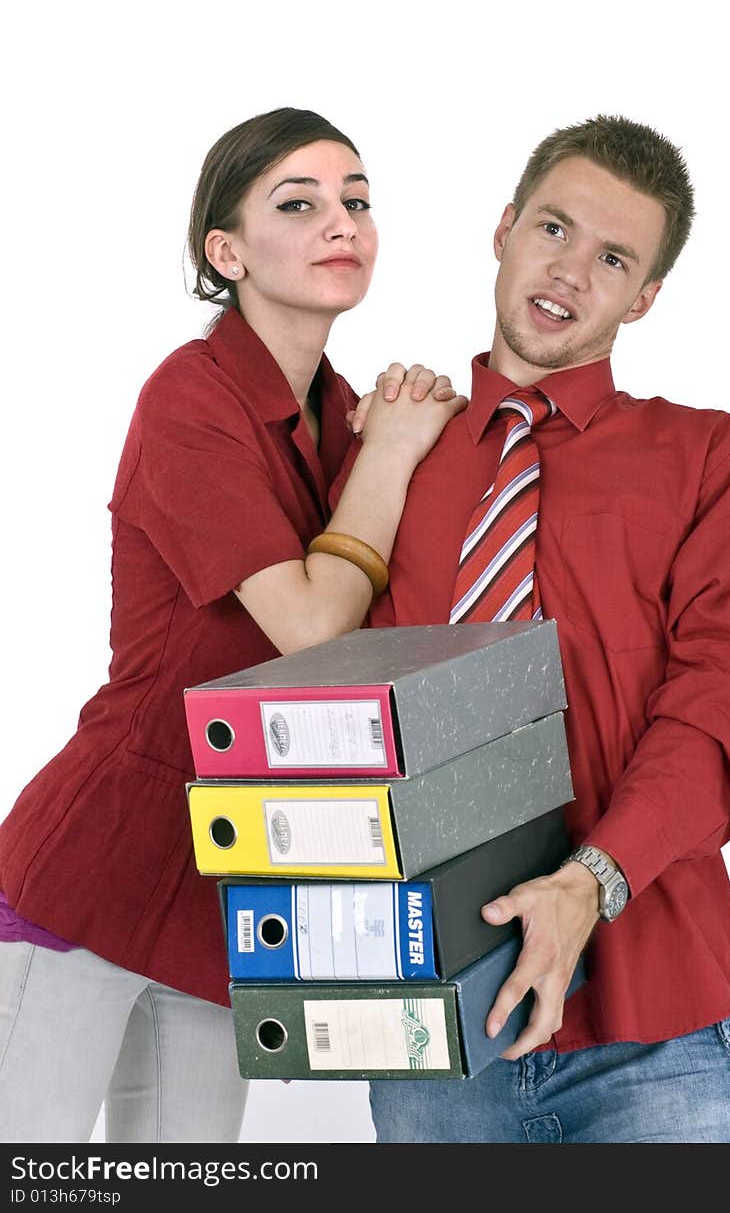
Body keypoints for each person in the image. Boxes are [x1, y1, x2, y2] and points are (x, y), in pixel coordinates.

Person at [0, 106, 466, 1143]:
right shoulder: (189, 399)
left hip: (233, 879)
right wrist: (390, 456)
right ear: (227, 250)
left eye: (356, 199)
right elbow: (310, 624)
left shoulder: (343, 413)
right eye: (297, 204)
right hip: (94, 867)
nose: (339, 221)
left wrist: (391, 439)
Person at [357, 115, 730, 1143]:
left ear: (643, 296)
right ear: (505, 227)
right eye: (553, 228)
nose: (570, 272)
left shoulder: (711, 459)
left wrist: (587, 881)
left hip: (650, 1023)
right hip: (431, 1030)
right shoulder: (386, 450)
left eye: (613, 257)